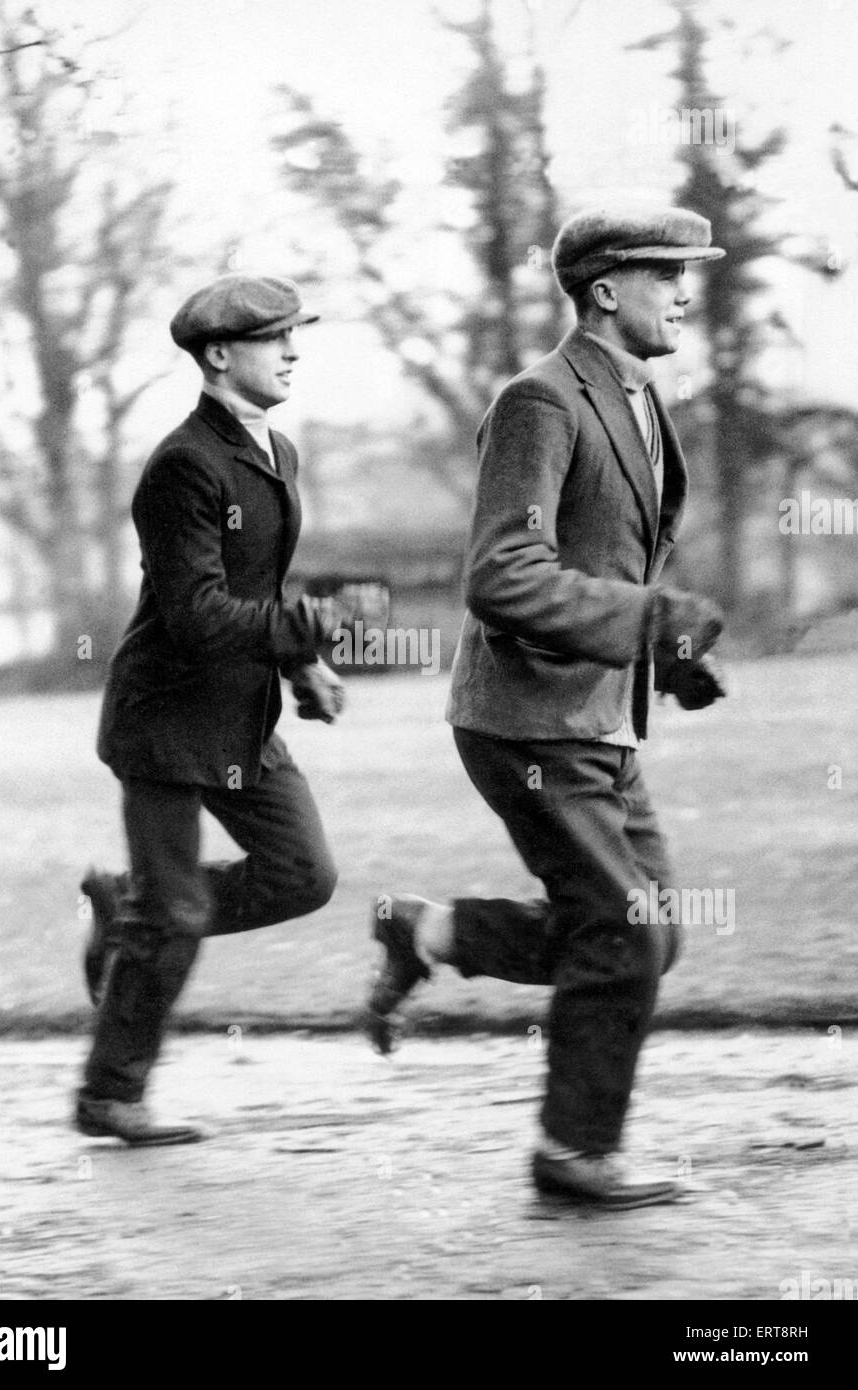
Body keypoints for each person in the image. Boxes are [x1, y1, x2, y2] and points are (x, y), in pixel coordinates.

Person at [366, 206, 727, 1209]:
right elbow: (503, 573)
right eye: (667, 276)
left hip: (592, 714)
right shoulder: (540, 400)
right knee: (625, 930)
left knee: (646, 930)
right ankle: (572, 1154)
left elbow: (607, 556)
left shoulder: (640, 399)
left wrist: (668, 653)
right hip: (524, 720)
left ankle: (429, 933)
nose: (686, 293)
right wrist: (650, 620)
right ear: (605, 290)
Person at [76, 272, 354, 1146]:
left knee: (302, 875)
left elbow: (256, 587)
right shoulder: (182, 466)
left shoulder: (277, 451)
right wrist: (301, 629)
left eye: (293, 335)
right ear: (220, 355)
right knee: (180, 919)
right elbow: (196, 615)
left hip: (240, 716)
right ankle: (111, 1095)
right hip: (163, 721)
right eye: (276, 339)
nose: (293, 351)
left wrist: (301, 663)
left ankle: (129, 910)